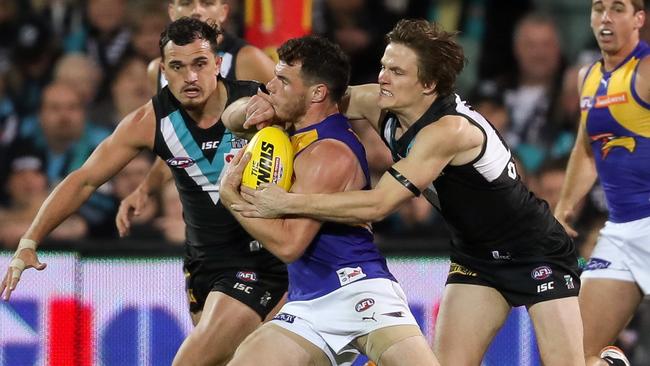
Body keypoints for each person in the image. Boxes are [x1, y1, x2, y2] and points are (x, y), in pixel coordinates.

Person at [230, 19, 586, 365]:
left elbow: (379, 204)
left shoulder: (449, 131)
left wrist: (287, 202)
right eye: (384, 66)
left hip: (535, 251)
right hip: (475, 257)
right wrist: (253, 107)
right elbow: (307, 100)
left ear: (428, 84)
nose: (383, 77)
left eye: (397, 72)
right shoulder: (376, 102)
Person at [0, 18, 287, 366]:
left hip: (261, 262)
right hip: (204, 267)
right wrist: (30, 240)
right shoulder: (151, 121)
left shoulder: (263, 105)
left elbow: (329, 117)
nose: (190, 77)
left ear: (218, 64)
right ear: (163, 69)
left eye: (199, 64)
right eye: (178, 67)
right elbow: (85, 180)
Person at [219, 35, 438, 366]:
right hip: (308, 303)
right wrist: (248, 111)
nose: (270, 86)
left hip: (359, 291)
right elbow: (228, 118)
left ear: (317, 93)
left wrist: (230, 197)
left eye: (282, 81)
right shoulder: (291, 126)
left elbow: (290, 245)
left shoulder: (329, 152)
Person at [554, 1, 649, 365]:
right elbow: (585, 148)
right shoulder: (588, 77)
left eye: (618, 8)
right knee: (572, 355)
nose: (605, 18)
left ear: (639, 19)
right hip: (621, 234)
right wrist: (563, 208)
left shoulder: (646, 69)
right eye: (598, 9)